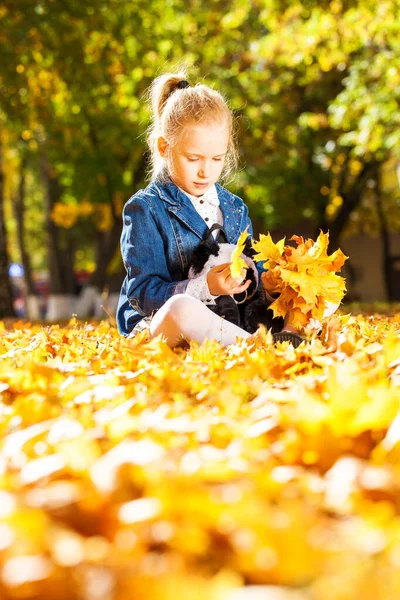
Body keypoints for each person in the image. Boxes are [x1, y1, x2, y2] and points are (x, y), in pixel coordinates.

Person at [116, 71, 304, 348]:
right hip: (164, 326)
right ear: (163, 148)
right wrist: (205, 288)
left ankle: (292, 333)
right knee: (181, 308)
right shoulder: (146, 209)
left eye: (217, 158)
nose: (206, 171)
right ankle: (264, 348)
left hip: (231, 323)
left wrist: (270, 282)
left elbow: (252, 273)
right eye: (193, 158)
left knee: (313, 285)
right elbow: (142, 295)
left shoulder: (234, 208)